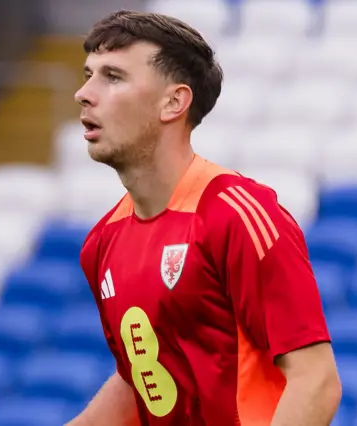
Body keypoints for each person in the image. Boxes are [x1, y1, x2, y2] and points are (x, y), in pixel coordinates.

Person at [67, 10, 341, 426]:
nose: (84, 93)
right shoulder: (102, 243)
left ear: (174, 102)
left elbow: (315, 380)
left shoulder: (238, 214)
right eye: (88, 74)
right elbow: (138, 382)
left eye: (113, 77)